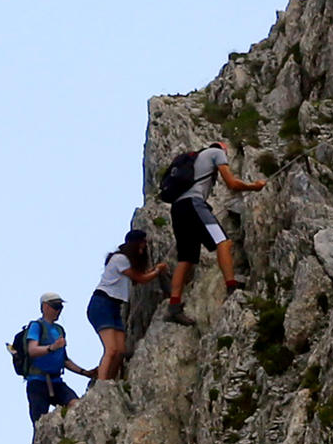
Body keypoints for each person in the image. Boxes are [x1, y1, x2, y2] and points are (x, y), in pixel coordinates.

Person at [163, 139, 266, 323]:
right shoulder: (216, 153)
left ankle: (174, 306)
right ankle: (232, 286)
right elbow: (232, 184)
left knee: (186, 259)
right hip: (194, 205)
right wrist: (254, 187)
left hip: (178, 209)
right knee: (223, 242)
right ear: (223, 150)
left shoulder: (195, 160)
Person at [88, 229, 168, 380]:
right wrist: (157, 271)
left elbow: (138, 278)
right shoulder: (120, 259)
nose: (144, 246)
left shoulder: (124, 261)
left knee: (120, 351)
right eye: (143, 242)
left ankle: (109, 381)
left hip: (113, 305)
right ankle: (102, 384)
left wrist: (153, 271)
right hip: (102, 303)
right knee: (111, 349)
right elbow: (142, 279)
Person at [13, 292, 93, 425]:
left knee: (76, 406)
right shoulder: (36, 326)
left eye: (60, 307)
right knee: (40, 423)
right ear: (45, 307)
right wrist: (52, 347)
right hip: (37, 382)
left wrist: (85, 372)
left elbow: (64, 360)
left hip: (56, 381)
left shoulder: (59, 329)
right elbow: (32, 350)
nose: (59, 310)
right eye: (56, 306)